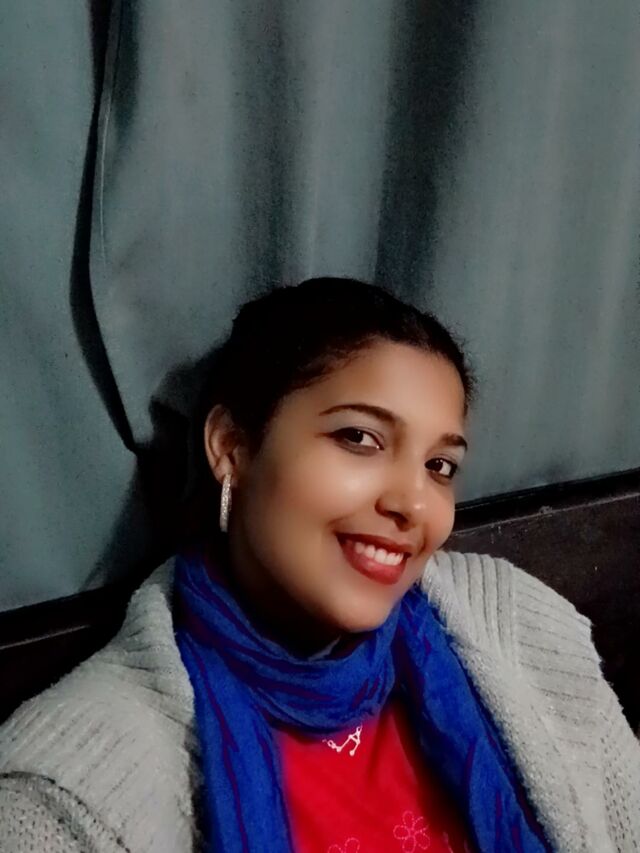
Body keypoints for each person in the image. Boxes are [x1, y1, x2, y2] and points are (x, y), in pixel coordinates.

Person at [0, 277, 638, 853]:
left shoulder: (519, 629)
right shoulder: (66, 799)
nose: (413, 503)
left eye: (439, 466)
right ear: (231, 447)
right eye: (359, 438)